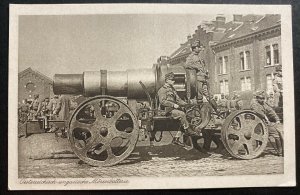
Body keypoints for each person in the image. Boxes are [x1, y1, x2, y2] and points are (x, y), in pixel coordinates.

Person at [157, 72, 196, 146]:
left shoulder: (172, 89)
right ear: (167, 80)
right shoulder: (162, 90)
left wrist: (186, 104)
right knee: (182, 114)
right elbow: (162, 102)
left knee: (185, 116)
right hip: (166, 111)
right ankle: (188, 130)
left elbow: (178, 100)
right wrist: (173, 105)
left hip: (172, 110)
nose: (174, 81)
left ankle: (176, 138)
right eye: (172, 80)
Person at [184, 40, 218, 115]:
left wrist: (206, 73)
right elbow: (186, 65)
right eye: (198, 47)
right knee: (199, 96)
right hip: (198, 79)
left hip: (203, 79)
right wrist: (195, 67)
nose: (200, 49)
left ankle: (217, 110)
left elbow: (202, 67)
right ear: (195, 48)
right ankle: (200, 114)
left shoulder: (198, 57)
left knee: (209, 95)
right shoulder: (191, 57)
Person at [250, 90, 283, 156]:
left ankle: (280, 152)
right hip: (256, 124)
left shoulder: (264, 104)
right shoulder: (254, 104)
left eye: (263, 98)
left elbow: (271, 111)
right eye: (260, 98)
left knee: (277, 133)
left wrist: (277, 119)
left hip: (263, 124)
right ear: (257, 98)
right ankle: (279, 152)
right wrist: (264, 116)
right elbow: (256, 110)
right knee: (275, 134)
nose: (262, 100)